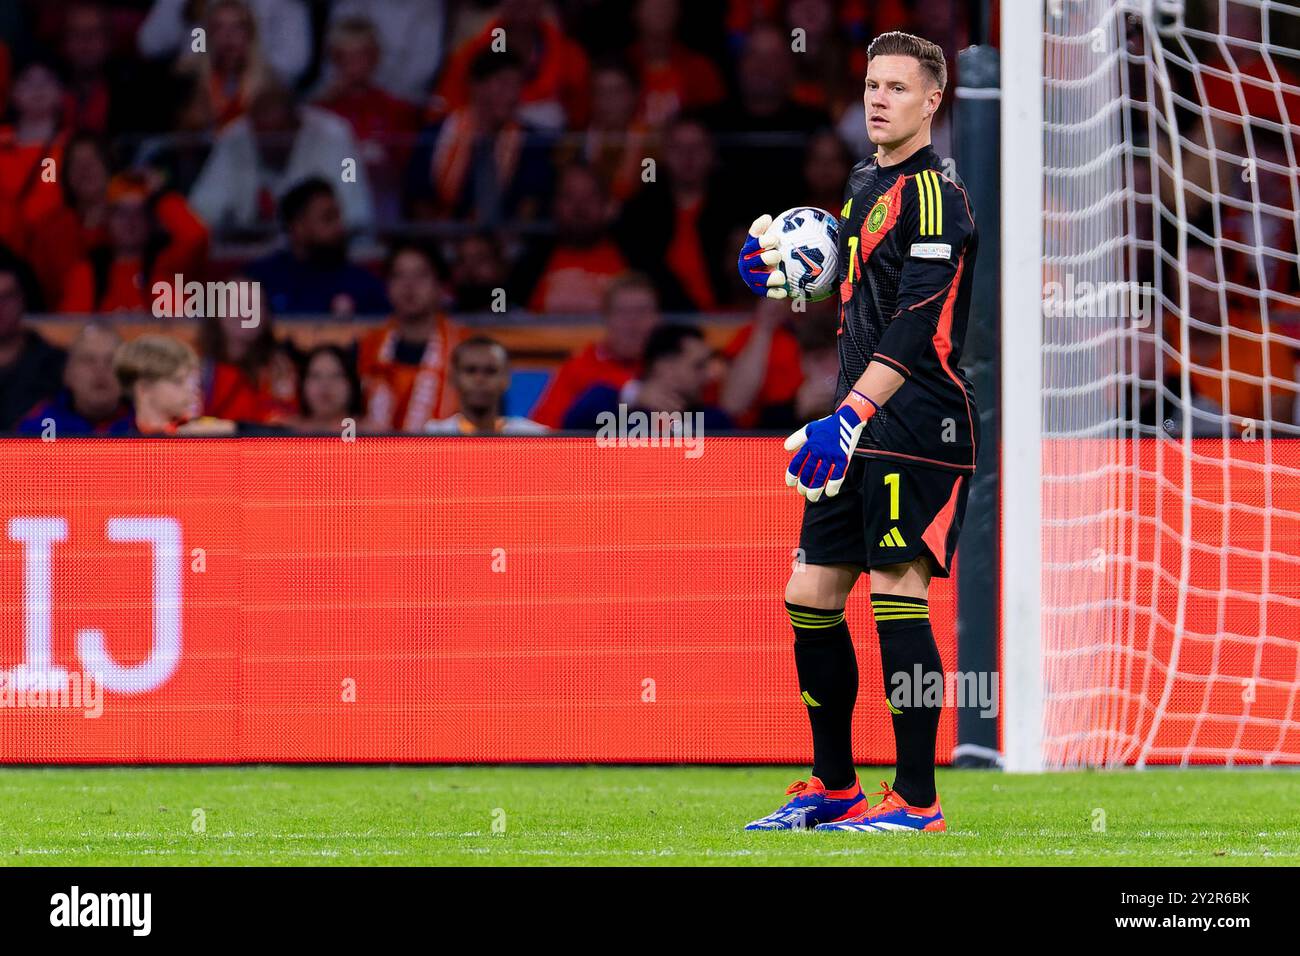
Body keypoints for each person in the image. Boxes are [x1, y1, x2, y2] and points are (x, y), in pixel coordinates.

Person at [738, 32, 979, 834]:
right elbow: (859, 284)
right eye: (872, 85)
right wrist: (789, 271)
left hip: (915, 419)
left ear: (932, 101)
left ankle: (916, 798)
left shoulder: (938, 193)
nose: (879, 99)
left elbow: (916, 324)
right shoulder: (863, 179)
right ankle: (833, 782)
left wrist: (849, 415)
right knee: (808, 594)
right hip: (856, 420)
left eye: (898, 89)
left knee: (896, 595)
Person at [528, 272, 660, 428]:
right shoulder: (578, 368)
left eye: (641, 311)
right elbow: (542, 429)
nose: (632, 323)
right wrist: (633, 393)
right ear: (606, 318)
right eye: (622, 312)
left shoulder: (671, 365)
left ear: (657, 318)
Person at [243, 178, 389, 316]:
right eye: (328, 218)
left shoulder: (363, 284)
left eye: (339, 217)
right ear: (298, 227)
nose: (339, 227)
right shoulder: (262, 279)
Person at [358, 243, 463, 432]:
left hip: (447, 456)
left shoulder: (464, 348)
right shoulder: (368, 346)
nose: (409, 285)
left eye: (420, 275)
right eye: (399, 275)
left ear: (440, 286)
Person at [560, 322, 732, 431]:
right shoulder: (608, 403)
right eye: (698, 366)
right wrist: (633, 396)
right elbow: (571, 423)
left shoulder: (713, 421)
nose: (710, 375)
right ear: (665, 367)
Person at [16, 321, 132, 436]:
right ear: (67, 374)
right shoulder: (38, 426)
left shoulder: (144, 424)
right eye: (88, 360)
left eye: (111, 360)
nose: (100, 370)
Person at [113, 334, 235, 435]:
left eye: (193, 383)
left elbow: (249, 430)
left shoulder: (203, 430)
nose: (192, 390)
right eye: (178, 381)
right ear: (143, 389)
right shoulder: (113, 441)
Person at [426, 337, 547, 435]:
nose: (480, 379)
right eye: (470, 370)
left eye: (490, 371)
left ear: (506, 379)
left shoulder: (532, 437)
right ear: (453, 377)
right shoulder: (431, 437)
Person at [0, 260, 64, 430]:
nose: (0, 307)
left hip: (38, 454)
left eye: (7, 297)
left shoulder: (55, 365)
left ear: (22, 299)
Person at [279, 344, 367, 434]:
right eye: (316, 376)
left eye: (336, 376)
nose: (325, 385)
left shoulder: (372, 436)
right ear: (302, 384)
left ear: (351, 383)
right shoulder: (283, 432)